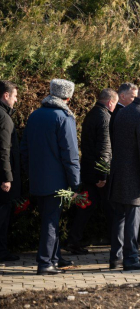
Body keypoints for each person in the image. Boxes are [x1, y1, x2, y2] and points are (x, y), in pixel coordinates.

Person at [21, 79, 80, 275]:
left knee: (49, 219)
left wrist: (31, 172)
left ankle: (54, 259)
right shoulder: (64, 117)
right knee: (51, 221)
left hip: (38, 178)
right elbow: (70, 154)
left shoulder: (35, 115)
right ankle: (45, 262)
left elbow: (24, 149)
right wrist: (75, 183)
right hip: (57, 181)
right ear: (68, 97)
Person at [108, 81, 140, 271]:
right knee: (132, 219)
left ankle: (116, 257)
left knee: (119, 218)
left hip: (118, 172)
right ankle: (130, 259)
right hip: (133, 176)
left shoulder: (122, 112)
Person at [64, 89, 118, 255]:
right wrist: (103, 174)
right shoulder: (105, 117)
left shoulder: (92, 114)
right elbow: (104, 148)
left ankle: (73, 240)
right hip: (98, 173)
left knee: (86, 206)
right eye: (115, 104)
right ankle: (119, 245)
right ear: (110, 102)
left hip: (88, 169)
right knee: (111, 208)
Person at [0, 80, 20, 262]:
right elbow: (4, 149)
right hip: (2, 178)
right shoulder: (4, 118)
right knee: (3, 215)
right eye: (14, 96)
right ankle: (2, 251)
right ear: (6, 95)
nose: (16, 100)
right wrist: (7, 177)